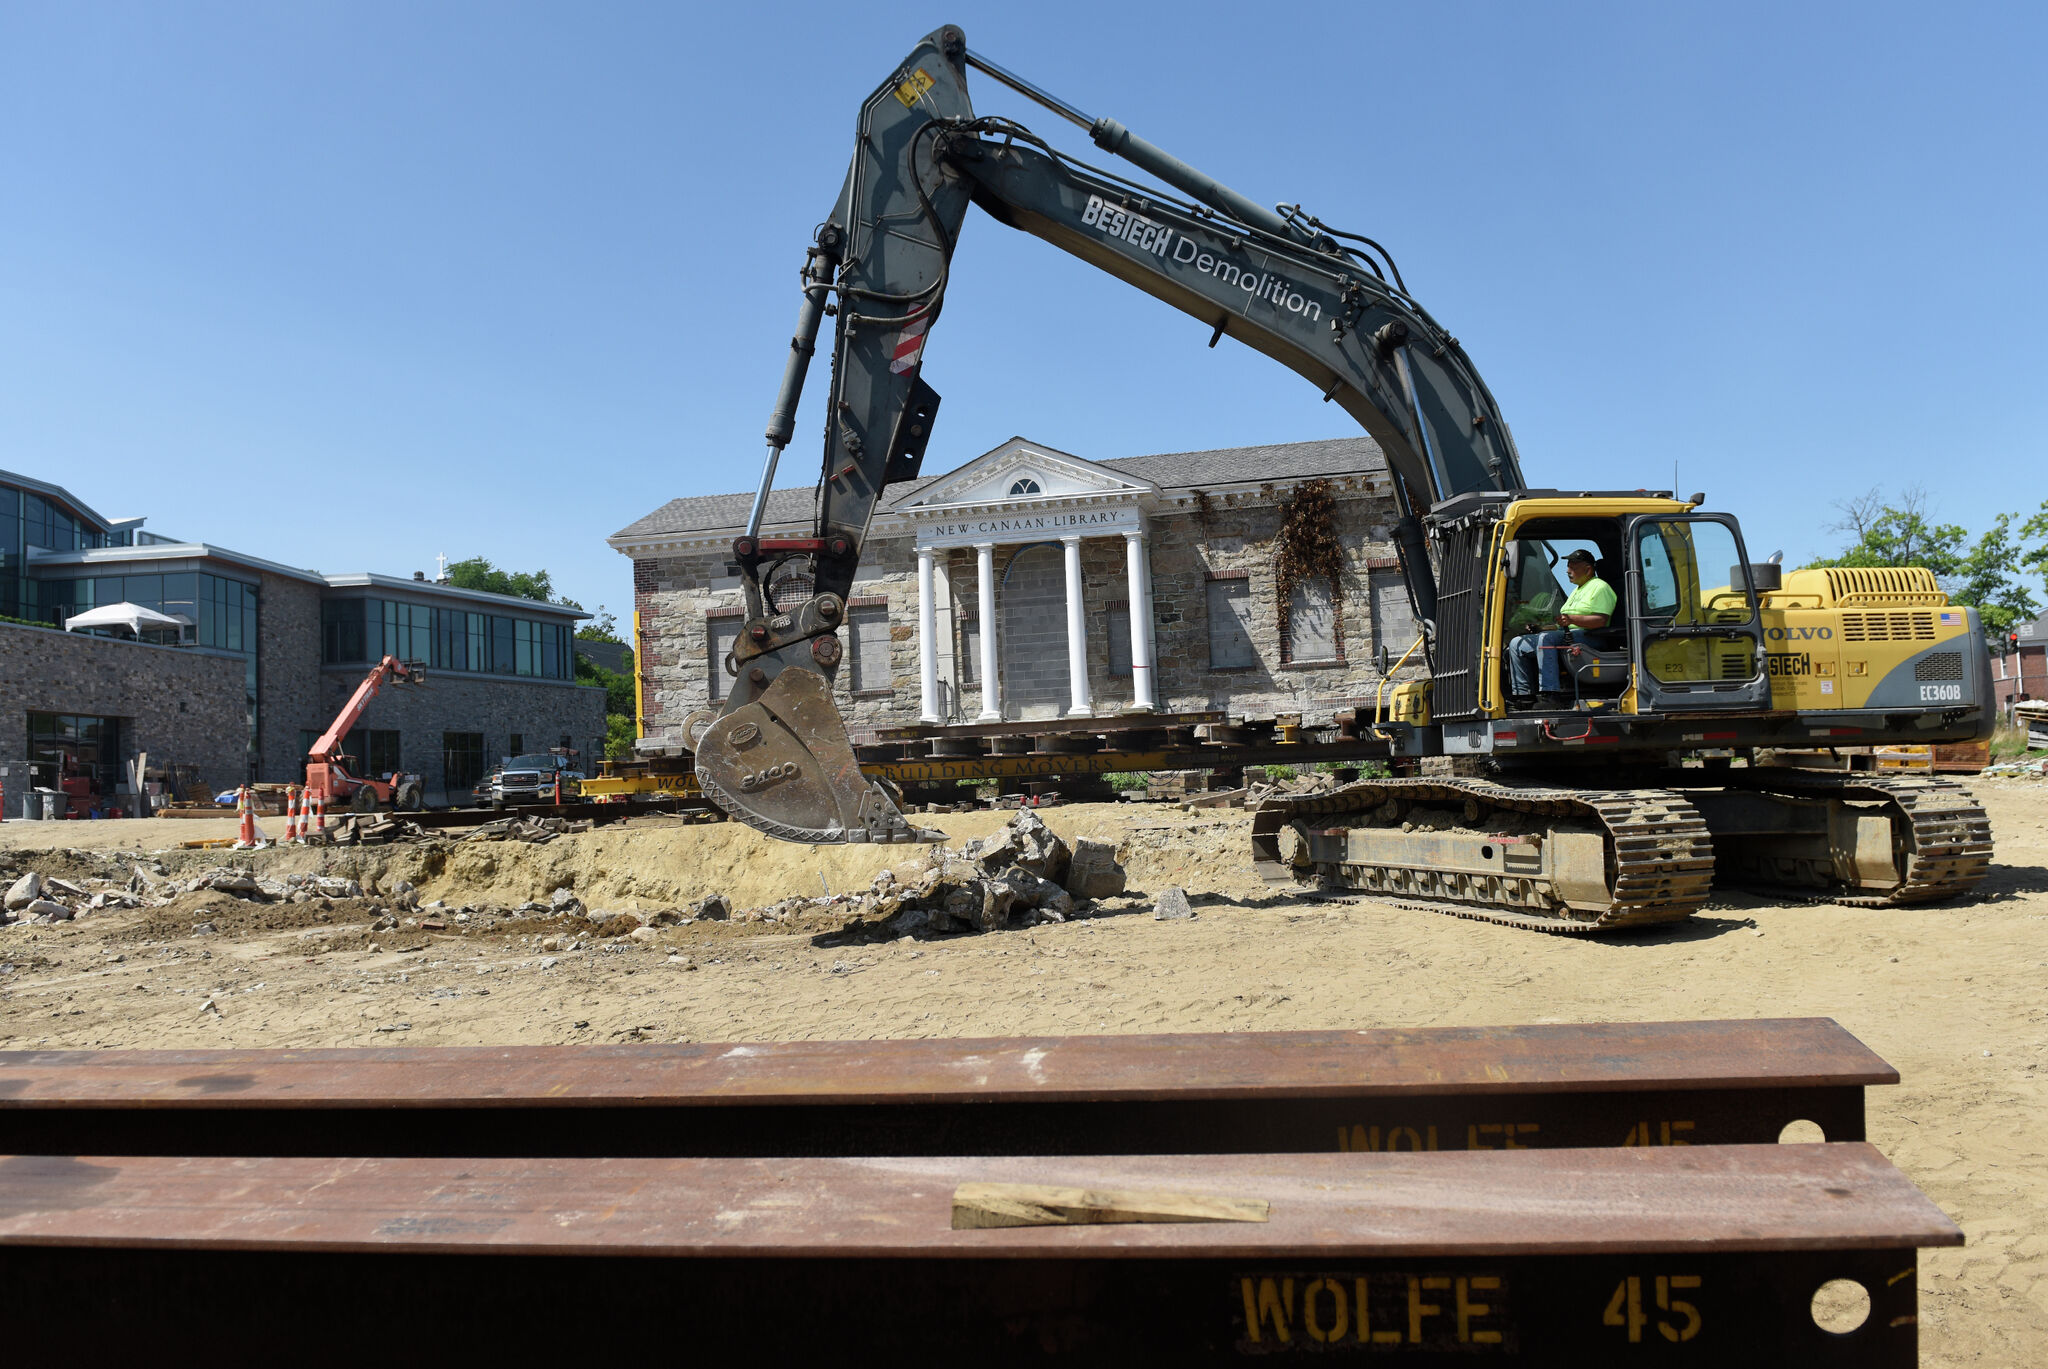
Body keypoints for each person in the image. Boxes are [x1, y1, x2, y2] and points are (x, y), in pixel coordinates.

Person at [1507, 549, 1617, 709]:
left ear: (1587, 569)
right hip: (1568, 634)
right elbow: (1564, 623)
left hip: (1590, 636)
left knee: (1547, 639)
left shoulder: (1600, 587)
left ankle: (1551, 695)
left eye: (1573, 567)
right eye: (1567, 566)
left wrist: (1571, 619)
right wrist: (1539, 627)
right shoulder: (1577, 590)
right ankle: (1524, 696)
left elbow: (1601, 620)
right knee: (1517, 644)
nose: (1567, 571)